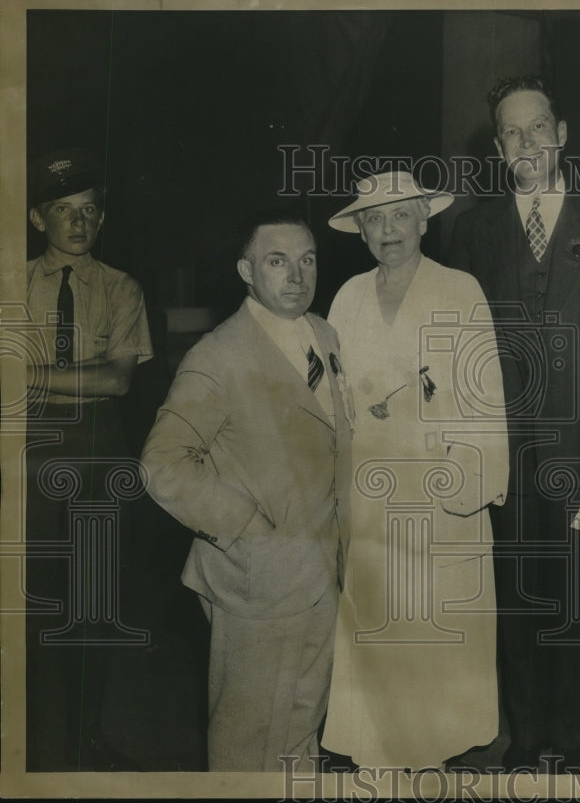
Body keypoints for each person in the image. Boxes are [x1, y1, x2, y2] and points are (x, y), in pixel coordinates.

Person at [448, 76, 580, 773]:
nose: (526, 142)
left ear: (561, 134)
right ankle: (527, 733)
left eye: (537, 127)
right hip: (506, 444)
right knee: (516, 593)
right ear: (497, 147)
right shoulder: (473, 229)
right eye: (511, 132)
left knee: (578, 595)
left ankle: (570, 738)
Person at [141, 209, 351, 771]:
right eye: (277, 261)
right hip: (259, 581)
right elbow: (162, 463)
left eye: (307, 260)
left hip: (324, 573)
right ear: (246, 271)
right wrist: (246, 527)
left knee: (302, 729)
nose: (297, 276)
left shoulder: (325, 334)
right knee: (248, 746)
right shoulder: (218, 355)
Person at [321, 171, 508, 770]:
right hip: (369, 487)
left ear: (425, 220)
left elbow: (484, 393)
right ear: (361, 232)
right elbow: (332, 395)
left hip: (440, 485)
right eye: (375, 219)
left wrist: (466, 478)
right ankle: (376, 748)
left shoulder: (460, 290)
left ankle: (430, 752)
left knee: (434, 622)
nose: (388, 229)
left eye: (400, 215)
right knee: (375, 618)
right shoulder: (347, 296)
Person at [24, 148, 153, 770]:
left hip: (100, 458)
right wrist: (78, 374)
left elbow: (120, 383)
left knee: (91, 605)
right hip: (26, 458)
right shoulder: (9, 285)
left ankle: (85, 740)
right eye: (64, 210)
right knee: (24, 605)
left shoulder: (122, 287)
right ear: (35, 217)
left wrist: (30, 375)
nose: (80, 223)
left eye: (91, 211)